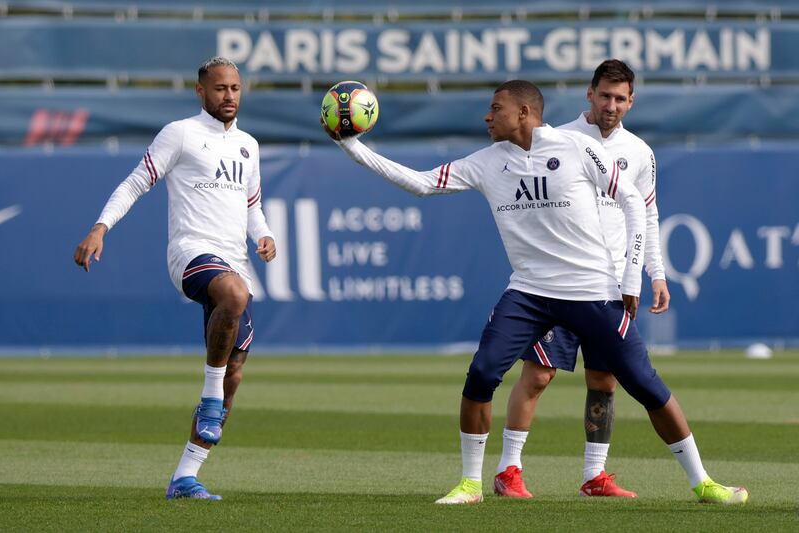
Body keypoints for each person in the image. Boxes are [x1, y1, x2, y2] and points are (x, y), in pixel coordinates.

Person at [323, 80, 747, 505]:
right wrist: (352, 147)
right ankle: (472, 483)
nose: (488, 117)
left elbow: (634, 203)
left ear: (524, 113)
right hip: (528, 293)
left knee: (645, 385)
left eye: (496, 108)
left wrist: (632, 277)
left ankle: (703, 482)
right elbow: (419, 183)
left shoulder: (575, 148)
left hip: (591, 291)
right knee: (482, 374)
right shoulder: (487, 162)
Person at [73, 57, 276, 501]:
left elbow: (251, 205)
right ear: (201, 91)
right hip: (191, 252)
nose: (229, 96)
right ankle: (208, 398)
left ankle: (185, 476)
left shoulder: (248, 145)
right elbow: (134, 183)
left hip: (235, 258)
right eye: (220, 88)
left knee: (236, 374)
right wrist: (99, 227)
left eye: (236, 88)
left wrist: (263, 235)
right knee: (234, 294)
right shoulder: (180, 133)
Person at [494, 59, 669, 500]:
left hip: (610, 287)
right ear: (589, 95)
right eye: (604, 95)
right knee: (537, 375)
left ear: (631, 101)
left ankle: (595, 476)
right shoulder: (561, 139)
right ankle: (508, 470)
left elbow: (647, 214)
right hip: (562, 281)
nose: (611, 105)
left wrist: (655, 273)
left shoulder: (640, 153)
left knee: (604, 381)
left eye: (620, 98)